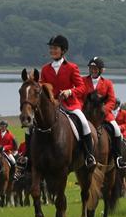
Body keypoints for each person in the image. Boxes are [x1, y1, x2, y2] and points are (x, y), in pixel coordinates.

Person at [33, 35, 97, 168]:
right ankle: (27, 157)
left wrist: (70, 91)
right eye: (51, 48)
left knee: (84, 123)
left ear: (63, 50)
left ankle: (89, 156)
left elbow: (82, 87)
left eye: (55, 48)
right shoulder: (45, 69)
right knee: (31, 126)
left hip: (70, 104)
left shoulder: (72, 67)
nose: (52, 51)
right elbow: (42, 87)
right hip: (52, 105)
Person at [79, 57, 126, 169]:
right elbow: (79, 97)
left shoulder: (107, 83)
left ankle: (118, 157)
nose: (93, 70)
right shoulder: (82, 81)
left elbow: (111, 100)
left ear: (101, 70)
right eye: (91, 68)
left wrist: (103, 110)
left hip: (103, 115)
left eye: (95, 68)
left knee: (116, 130)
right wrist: (82, 108)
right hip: (86, 114)